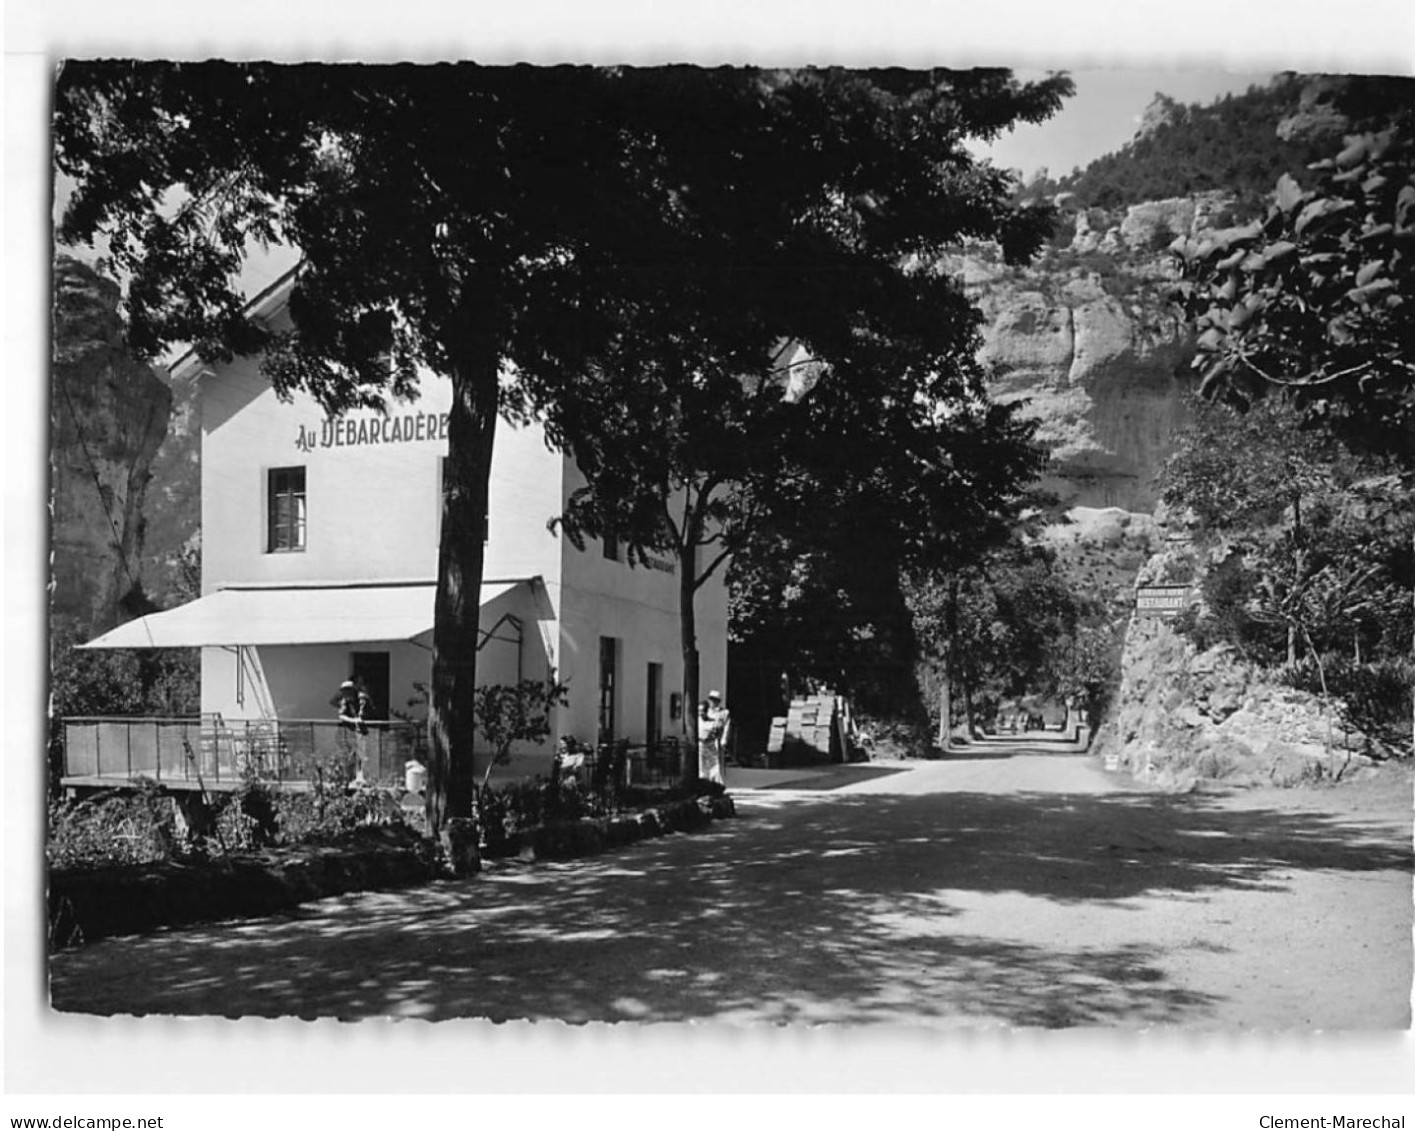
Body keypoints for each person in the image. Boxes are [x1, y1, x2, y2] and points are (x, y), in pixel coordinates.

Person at [332, 678, 370, 783]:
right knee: (348, 753)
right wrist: (353, 720)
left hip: (367, 730)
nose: (344, 694)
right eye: (343, 691)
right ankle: (349, 777)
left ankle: (362, 777)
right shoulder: (346, 700)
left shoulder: (361, 698)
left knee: (363, 755)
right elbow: (342, 715)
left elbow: (362, 715)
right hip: (351, 730)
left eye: (346, 691)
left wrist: (358, 720)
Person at [698, 690, 730, 785]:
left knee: (716, 764)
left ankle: (716, 783)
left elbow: (726, 727)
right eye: (711, 699)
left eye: (715, 700)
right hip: (702, 740)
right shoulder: (704, 710)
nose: (713, 702)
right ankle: (704, 781)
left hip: (714, 740)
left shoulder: (723, 712)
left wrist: (724, 739)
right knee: (702, 764)